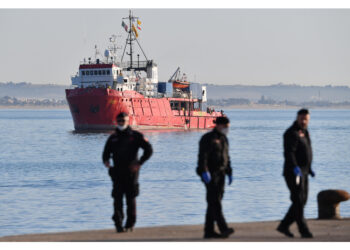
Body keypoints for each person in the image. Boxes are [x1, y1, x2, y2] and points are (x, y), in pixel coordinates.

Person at [102, 112, 153, 233]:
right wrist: (106, 162)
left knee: (131, 198)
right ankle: (118, 224)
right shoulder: (113, 138)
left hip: (131, 172)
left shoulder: (135, 136)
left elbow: (148, 149)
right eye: (119, 121)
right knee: (117, 198)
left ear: (127, 121)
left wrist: (140, 163)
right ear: (117, 121)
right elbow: (105, 153)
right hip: (117, 172)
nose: (121, 123)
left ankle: (130, 223)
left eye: (123, 121)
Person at [277, 109, 315, 238]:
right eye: (302, 119)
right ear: (297, 118)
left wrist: (309, 168)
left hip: (304, 172)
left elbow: (307, 151)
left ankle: (284, 225)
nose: (304, 122)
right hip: (293, 173)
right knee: (298, 201)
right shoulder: (291, 133)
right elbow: (289, 153)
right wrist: (295, 167)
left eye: (306, 119)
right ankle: (304, 230)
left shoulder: (305, 132)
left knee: (302, 201)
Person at [196, 116, 234, 239]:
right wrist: (204, 171)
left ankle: (209, 231)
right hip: (210, 175)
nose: (227, 129)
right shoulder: (207, 138)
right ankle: (224, 228)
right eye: (226, 127)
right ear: (219, 125)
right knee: (215, 202)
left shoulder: (224, 139)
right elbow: (203, 157)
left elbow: (226, 157)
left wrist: (229, 171)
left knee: (213, 202)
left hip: (221, 174)